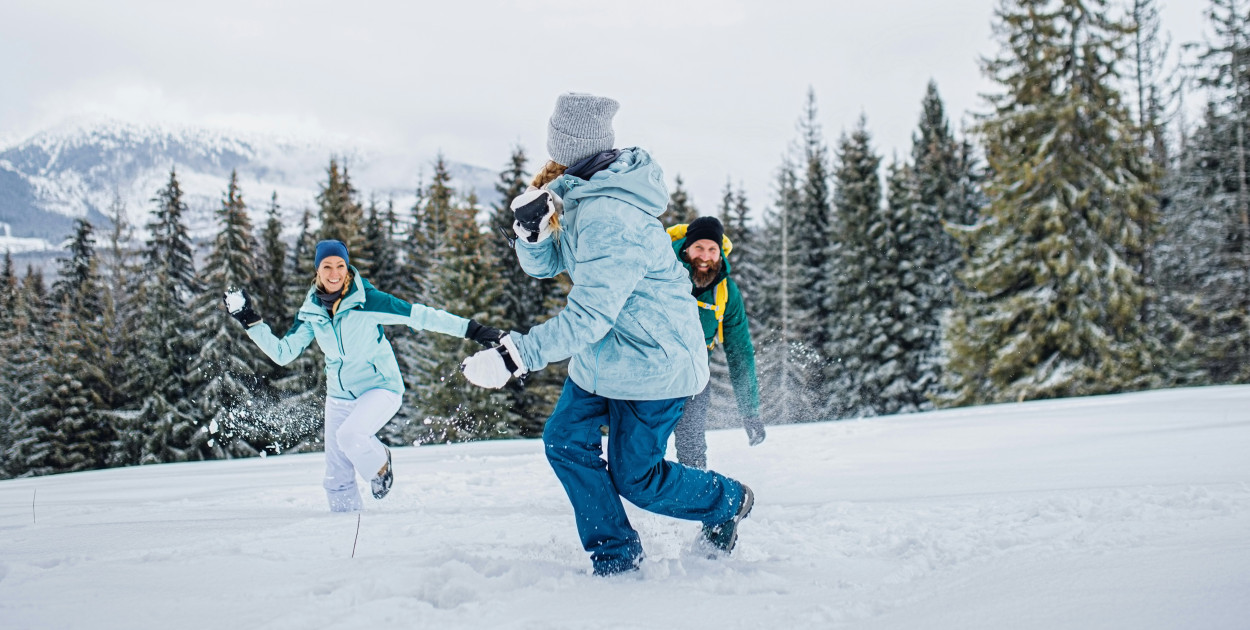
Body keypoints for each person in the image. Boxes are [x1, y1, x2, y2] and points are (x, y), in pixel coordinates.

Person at [460, 92, 755, 576]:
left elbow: (587, 318)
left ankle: (728, 500)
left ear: (572, 145)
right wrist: (532, 239)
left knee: (637, 479)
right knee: (564, 439)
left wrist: (518, 356)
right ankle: (616, 554)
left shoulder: (611, 216)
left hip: (653, 364)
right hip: (605, 357)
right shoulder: (583, 194)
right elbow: (551, 265)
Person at [224, 239, 504, 512]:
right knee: (336, 475)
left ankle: (380, 463)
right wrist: (250, 319)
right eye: (327, 267)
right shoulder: (312, 312)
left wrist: (474, 330)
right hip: (338, 396)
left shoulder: (367, 301)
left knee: (351, 435)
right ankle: (344, 530)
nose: (334, 274)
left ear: (348, 268)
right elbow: (284, 353)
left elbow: (421, 316)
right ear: (317, 271)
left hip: (381, 388)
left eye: (340, 266)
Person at [667, 216, 765, 469]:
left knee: (692, 444)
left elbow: (740, 353)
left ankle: (695, 496)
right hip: (651, 372)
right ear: (686, 248)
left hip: (694, 378)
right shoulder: (661, 270)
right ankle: (643, 490)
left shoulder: (726, 293)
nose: (705, 256)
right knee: (643, 442)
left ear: (720, 253)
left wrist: (749, 411)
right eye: (699, 247)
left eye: (713, 249)